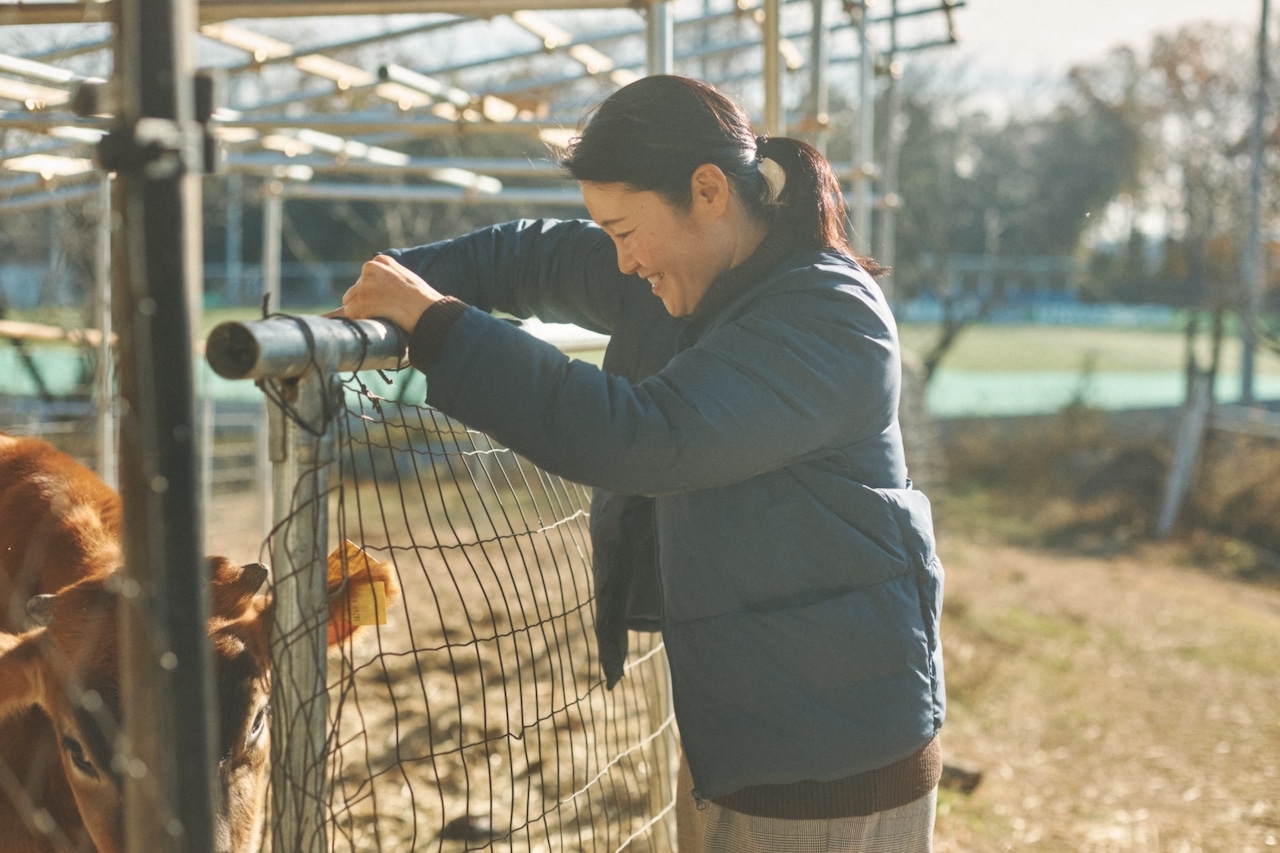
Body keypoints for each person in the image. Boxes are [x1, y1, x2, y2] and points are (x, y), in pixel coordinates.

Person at [333, 74, 945, 853]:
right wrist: (390, 285)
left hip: (831, 758)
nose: (621, 262)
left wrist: (437, 327)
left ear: (708, 190)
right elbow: (532, 258)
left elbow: (642, 436)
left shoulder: (825, 318)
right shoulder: (703, 275)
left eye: (625, 230)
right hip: (756, 730)